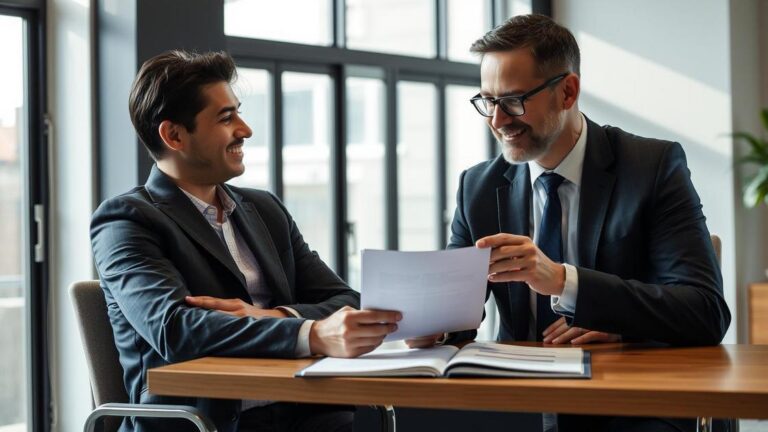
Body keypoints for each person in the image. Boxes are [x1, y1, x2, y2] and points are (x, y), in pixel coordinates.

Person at [408, 14, 731, 432]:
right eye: (488, 101)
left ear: (567, 91)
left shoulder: (652, 168)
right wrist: (430, 326)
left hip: (628, 403)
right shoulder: (479, 187)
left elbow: (705, 312)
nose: (497, 120)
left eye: (513, 100)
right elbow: (459, 310)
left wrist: (565, 281)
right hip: (514, 402)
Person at [90, 50, 401, 432]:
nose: (245, 129)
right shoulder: (126, 220)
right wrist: (312, 333)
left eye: (238, 112)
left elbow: (345, 300)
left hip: (304, 415)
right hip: (201, 423)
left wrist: (274, 315)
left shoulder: (264, 209)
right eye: (226, 117)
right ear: (173, 135)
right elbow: (175, 330)